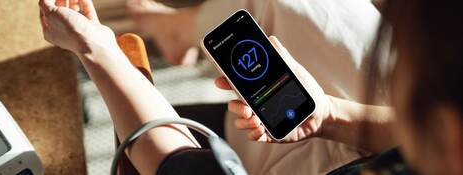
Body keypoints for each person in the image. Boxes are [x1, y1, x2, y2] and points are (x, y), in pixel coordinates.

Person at [39, 0, 463, 175]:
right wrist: (329, 114)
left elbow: (180, 169)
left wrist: (97, 51)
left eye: (403, 52)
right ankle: (182, 29)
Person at [129, 0, 380, 173]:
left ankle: (180, 30)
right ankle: (183, 29)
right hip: (400, 116)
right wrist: (326, 114)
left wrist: (329, 117)